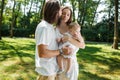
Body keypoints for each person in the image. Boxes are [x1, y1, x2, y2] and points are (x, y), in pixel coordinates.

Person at [35, 0, 72, 80]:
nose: (60, 14)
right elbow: (42, 53)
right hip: (47, 72)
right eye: (59, 12)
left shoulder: (49, 26)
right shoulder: (44, 28)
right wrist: (61, 51)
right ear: (54, 12)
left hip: (51, 70)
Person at [55, 6, 85, 80]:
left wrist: (69, 39)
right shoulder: (54, 28)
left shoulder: (73, 28)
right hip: (58, 62)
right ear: (59, 13)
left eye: (68, 14)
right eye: (63, 13)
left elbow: (82, 45)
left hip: (71, 63)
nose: (65, 16)